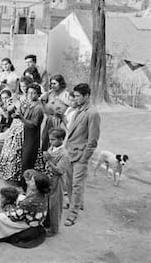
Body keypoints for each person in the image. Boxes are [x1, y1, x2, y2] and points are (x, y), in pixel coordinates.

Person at [64, 83, 100, 227]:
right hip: (71, 152)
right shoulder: (79, 109)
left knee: (77, 185)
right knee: (69, 183)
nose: (76, 98)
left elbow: (93, 140)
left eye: (79, 96)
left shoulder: (93, 113)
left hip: (80, 155)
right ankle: (76, 203)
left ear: (87, 96)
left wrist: (84, 158)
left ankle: (73, 213)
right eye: (75, 95)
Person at [0, 171, 49, 244]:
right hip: (36, 221)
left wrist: (6, 213)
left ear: (38, 186)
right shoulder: (42, 195)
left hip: (28, 223)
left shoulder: (29, 202)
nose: (29, 182)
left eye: (32, 181)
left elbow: (16, 217)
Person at [0, 76, 33, 183]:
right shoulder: (18, 97)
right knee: (12, 148)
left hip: (26, 124)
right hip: (16, 124)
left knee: (23, 150)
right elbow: (8, 109)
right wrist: (13, 102)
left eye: (25, 86)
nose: (23, 88)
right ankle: (11, 173)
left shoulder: (32, 98)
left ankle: (23, 176)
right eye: (21, 86)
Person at [12, 83, 45, 190]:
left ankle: (27, 189)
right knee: (24, 163)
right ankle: (24, 187)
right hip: (26, 137)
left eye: (34, 93)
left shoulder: (38, 108)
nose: (31, 95)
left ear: (38, 94)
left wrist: (21, 118)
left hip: (32, 138)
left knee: (27, 163)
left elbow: (33, 124)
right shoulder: (30, 104)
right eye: (29, 93)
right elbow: (23, 115)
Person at [43, 128, 70, 236]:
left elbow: (59, 171)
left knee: (55, 206)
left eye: (53, 139)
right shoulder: (53, 147)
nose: (50, 142)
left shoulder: (64, 155)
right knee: (47, 203)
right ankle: (47, 223)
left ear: (61, 139)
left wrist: (48, 160)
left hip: (57, 182)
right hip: (49, 180)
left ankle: (54, 229)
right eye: (50, 139)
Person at [40, 74, 69, 152]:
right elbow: (45, 108)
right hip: (49, 120)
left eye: (55, 83)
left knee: (56, 140)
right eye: (51, 84)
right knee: (45, 139)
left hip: (60, 121)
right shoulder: (50, 94)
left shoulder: (65, 95)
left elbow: (68, 108)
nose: (53, 86)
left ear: (60, 83)